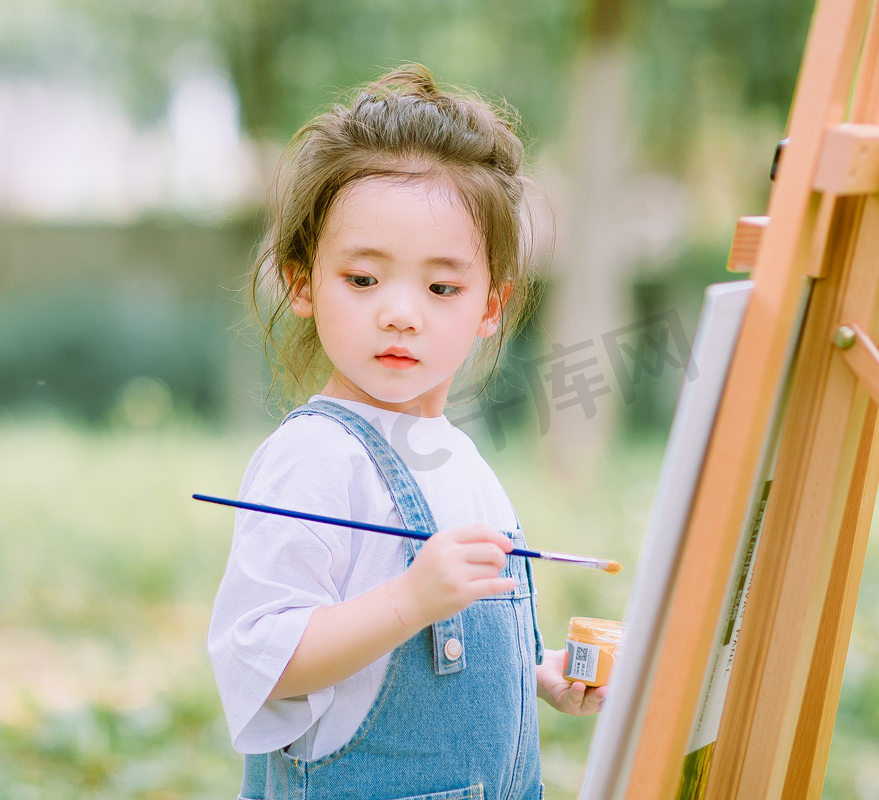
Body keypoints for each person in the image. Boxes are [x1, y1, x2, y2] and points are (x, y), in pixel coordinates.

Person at [208, 64, 605, 800]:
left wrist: (541, 674)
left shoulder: (459, 456)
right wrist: (409, 600)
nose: (400, 312)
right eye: (363, 279)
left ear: (491, 306)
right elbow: (261, 657)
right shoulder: (314, 457)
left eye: (442, 287)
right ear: (302, 284)